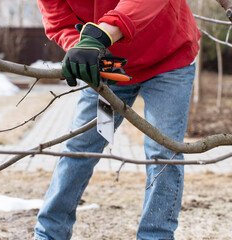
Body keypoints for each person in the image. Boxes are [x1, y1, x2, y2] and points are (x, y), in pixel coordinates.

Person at [34, 1, 201, 239]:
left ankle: (156, 236)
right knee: (82, 146)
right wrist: (84, 49)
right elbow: (60, 22)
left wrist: (102, 35)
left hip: (169, 62)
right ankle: (49, 234)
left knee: (163, 152)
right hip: (110, 72)